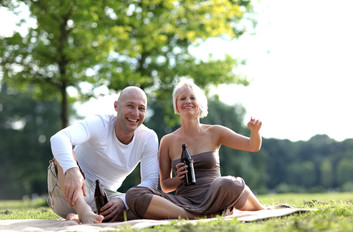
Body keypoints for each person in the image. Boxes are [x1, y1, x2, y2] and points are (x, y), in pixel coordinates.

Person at [126, 79, 290, 219]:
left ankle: (263, 209)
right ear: (176, 106)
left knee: (229, 182)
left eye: (192, 98)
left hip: (216, 195)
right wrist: (178, 179)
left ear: (200, 104)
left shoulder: (215, 132)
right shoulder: (167, 141)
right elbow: (166, 186)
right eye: (182, 98)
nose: (187, 101)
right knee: (134, 194)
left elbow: (252, 146)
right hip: (184, 202)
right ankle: (194, 216)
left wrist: (255, 132)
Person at [47, 86, 159, 224]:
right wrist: (72, 169)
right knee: (65, 157)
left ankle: (81, 217)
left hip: (103, 198)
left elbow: (150, 182)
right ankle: (83, 212)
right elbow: (59, 138)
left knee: (152, 204)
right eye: (130, 106)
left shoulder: (148, 138)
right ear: (116, 106)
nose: (136, 113)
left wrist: (123, 201)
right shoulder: (100, 124)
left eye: (141, 108)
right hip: (66, 190)